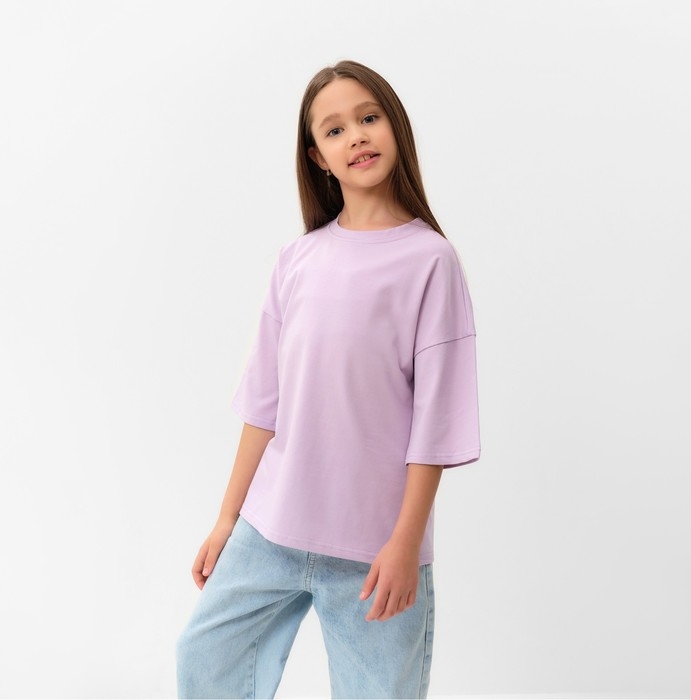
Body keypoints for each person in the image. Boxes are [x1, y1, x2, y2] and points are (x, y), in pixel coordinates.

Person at [176, 59, 481, 699]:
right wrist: (228, 518)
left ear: (395, 127)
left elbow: (437, 423)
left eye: (369, 118)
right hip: (271, 529)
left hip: (375, 548)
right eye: (335, 129)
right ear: (317, 156)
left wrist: (405, 544)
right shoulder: (297, 259)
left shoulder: (431, 261)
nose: (357, 136)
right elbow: (264, 404)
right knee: (204, 659)